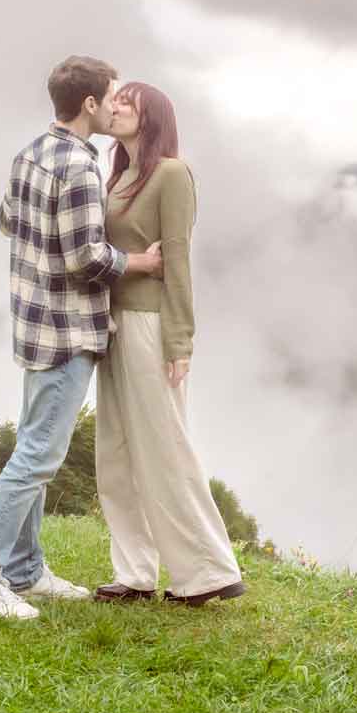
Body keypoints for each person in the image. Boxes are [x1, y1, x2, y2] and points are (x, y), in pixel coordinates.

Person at [0, 56, 163, 620]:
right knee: (39, 456)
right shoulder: (80, 165)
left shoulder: (30, 154)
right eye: (113, 96)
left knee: (32, 445)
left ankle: (23, 570)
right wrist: (139, 261)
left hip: (32, 322)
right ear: (89, 105)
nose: (118, 105)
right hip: (68, 330)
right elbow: (86, 257)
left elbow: (7, 220)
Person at [92, 81, 246, 607]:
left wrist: (180, 340)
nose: (116, 108)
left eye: (127, 102)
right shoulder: (119, 174)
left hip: (151, 325)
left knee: (164, 446)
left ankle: (208, 572)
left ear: (152, 116)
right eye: (116, 100)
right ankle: (134, 572)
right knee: (115, 450)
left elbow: (177, 261)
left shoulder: (172, 174)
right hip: (112, 323)